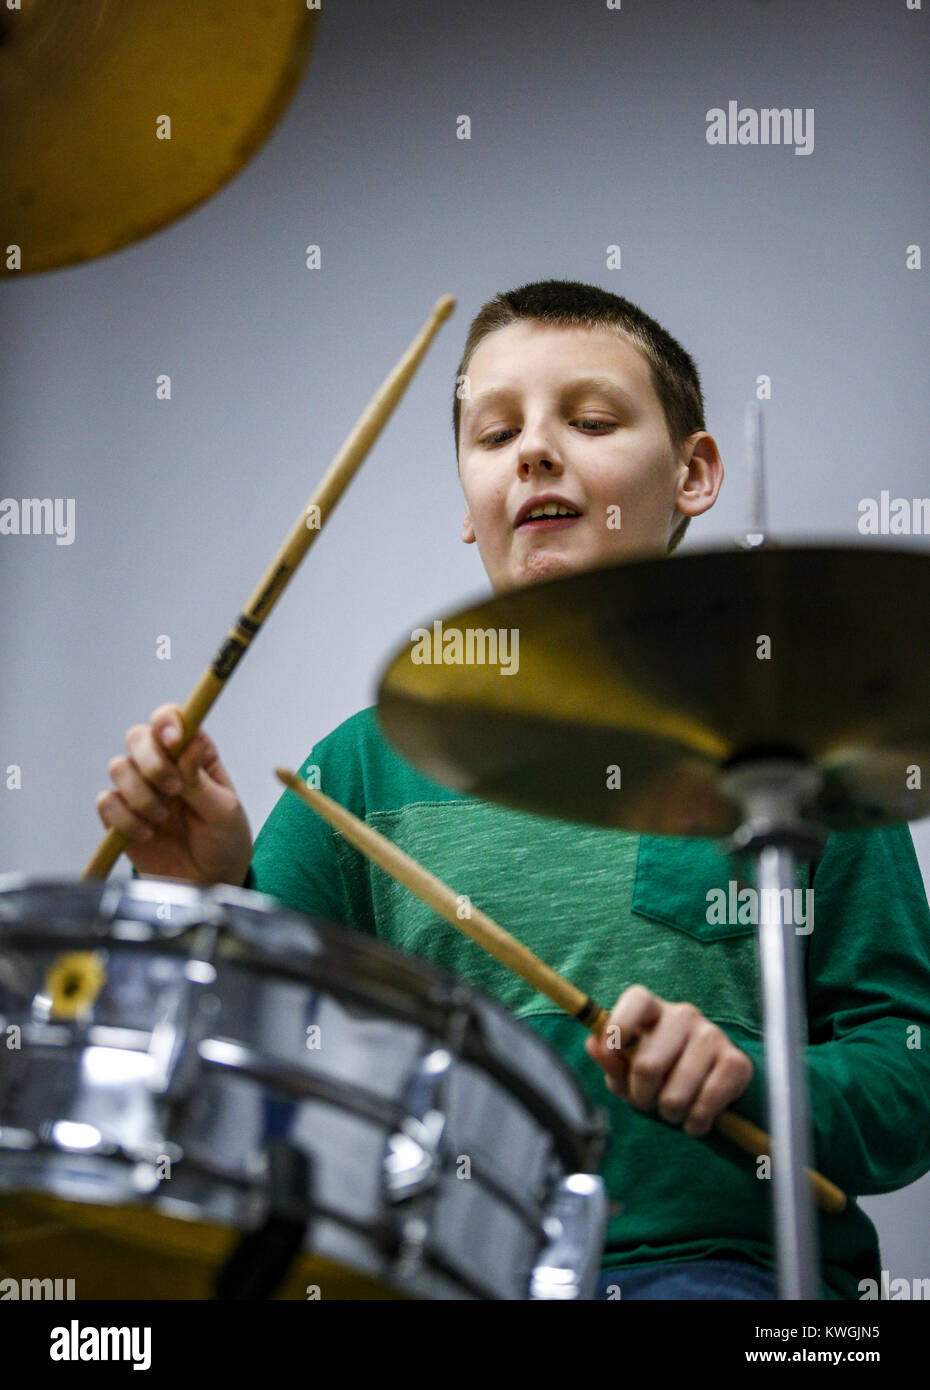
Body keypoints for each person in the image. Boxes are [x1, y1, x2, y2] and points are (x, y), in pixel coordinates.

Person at [97, 280, 930, 1300]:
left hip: (723, 1274)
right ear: (468, 504)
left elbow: (909, 1071)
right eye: (495, 435)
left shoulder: (797, 755)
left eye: (589, 420)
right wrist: (210, 894)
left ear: (695, 472)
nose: (536, 450)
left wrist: (755, 1078)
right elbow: (258, 1074)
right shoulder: (361, 766)